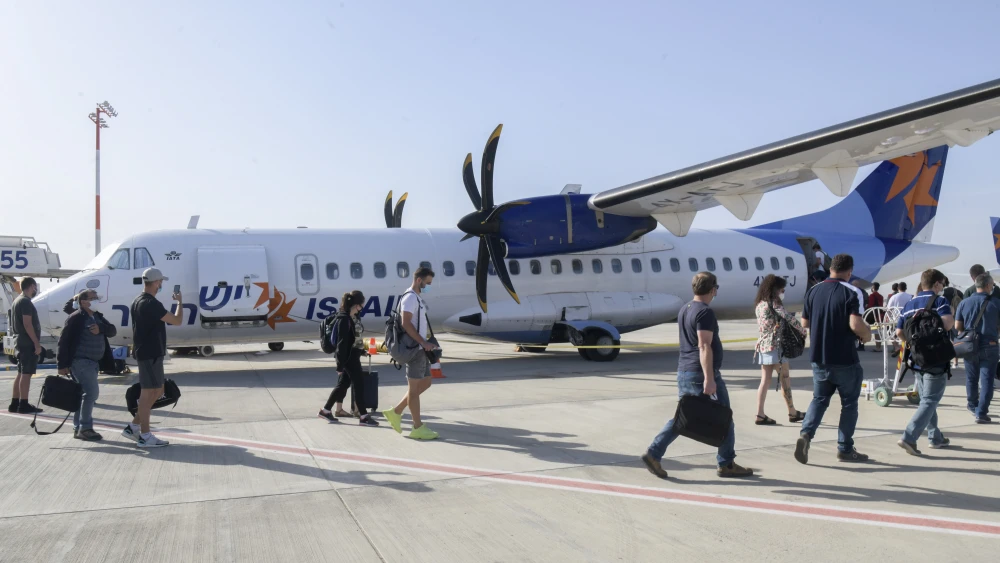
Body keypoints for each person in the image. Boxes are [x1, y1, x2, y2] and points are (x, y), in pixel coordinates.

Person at [641, 272, 753, 479]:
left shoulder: (685, 308)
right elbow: (704, 346)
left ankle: (654, 453)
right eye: (716, 288)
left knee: (684, 417)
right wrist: (709, 379)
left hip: (685, 370)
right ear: (712, 289)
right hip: (701, 374)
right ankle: (726, 463)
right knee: (724, 417)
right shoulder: (704, 312)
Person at [795, 254, 873, 465]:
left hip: (819, 357)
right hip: (844, 358)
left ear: (831, 269)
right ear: (849, 271)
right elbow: (856, 325)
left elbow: (804, 322)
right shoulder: (852, 291)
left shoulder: (813, 291)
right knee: (849, 404)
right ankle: (845, 448)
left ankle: (806, 434)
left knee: (819, 399)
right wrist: (868, 335)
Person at [121, 268, 184, 447]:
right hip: (150, 354)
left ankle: (133, 427)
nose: (161, 284)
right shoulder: (150, 303)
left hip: (149, 353)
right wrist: (180, 302)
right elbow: (177, 321)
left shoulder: (137, 301)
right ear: (156, 282)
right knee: (148, 394)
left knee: (157, 391)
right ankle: (145, 435)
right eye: (160, 282)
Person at [895, 269, 955, 454]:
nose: (942, 288)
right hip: (936, 358)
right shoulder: (940, 301)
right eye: (942, 284)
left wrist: (914, 344)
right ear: (936, 284)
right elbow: (947, 324)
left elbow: (899, 333)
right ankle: (909, 437)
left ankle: (935, 437)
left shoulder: (909, 304)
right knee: (930, 400)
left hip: (917, 359)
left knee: (927, 399)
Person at [382, 267, 439, 440]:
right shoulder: (410, 298)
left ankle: (396, 411)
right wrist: (422, 342)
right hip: (414, 349)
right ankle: (417, 427)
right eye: (428, 283)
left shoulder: (416, 298)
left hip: (421, 349)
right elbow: (406, 323)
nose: (429, 286)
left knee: (426, 382)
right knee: (413, 391)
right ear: (419, 280)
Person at [56, 289, 117, 441]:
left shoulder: (97, 316)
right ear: (83, 302)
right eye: (93, 298)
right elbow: (63, 341)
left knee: (83, 394)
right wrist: (61, 364)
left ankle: (79, 428)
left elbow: (112, 331)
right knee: (91, 394)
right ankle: (85, 428)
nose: (96, 300)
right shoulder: (76, 318)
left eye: (97, 297)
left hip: (93, 363)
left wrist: (100, 328)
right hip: (81, 362)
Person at [319, 290, 379, 426]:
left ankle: (326, 410)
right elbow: (342, 344)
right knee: (358, 384)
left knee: (343, 385)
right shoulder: (344, 320)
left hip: (352, 354)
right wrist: (340, 365)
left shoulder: (350, 318)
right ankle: (363, 416)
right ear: (356, 305)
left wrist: (361, 350)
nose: (362, 308)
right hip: (348, 357)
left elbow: (352, 340)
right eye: (361, 305)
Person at [752, 275, 805, 425]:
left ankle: (760, 413)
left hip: (763, 346)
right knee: (785, 379)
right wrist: (802, 330)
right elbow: (788, 317)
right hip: (776, 346)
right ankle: (792, 411)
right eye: (782, 289)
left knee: (765, 380)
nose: (783, 291)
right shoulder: (774, 303)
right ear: (775, 289)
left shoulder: (760, 305)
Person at [954, 273, 1000, 424]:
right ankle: (981, 412)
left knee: (971, 378)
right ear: (987, 286)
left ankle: (973, 405)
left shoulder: (964, 303)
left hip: (970, 346)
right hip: (990, 345)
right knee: (987, 380)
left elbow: (957, 327)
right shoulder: (996, 303)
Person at [9, 277, 43, 414]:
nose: (35, 290)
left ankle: (14, 403)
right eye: (35, 287)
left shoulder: (16, 301)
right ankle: (23, 404)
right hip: (27, 342)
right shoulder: (26, 302)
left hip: (19, 341)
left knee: (20, 373)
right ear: (31, 286)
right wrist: (36, 343)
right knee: (26, 373)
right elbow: (27, 324)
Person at [867, 282, 885, 352]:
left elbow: (870, 306)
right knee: (879, 331)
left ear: (873, 288)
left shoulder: (872, 296)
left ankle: (878, 347)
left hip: (874, 315)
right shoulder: (881, 296)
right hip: (880, 314)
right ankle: (879, 346)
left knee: (876, 331)